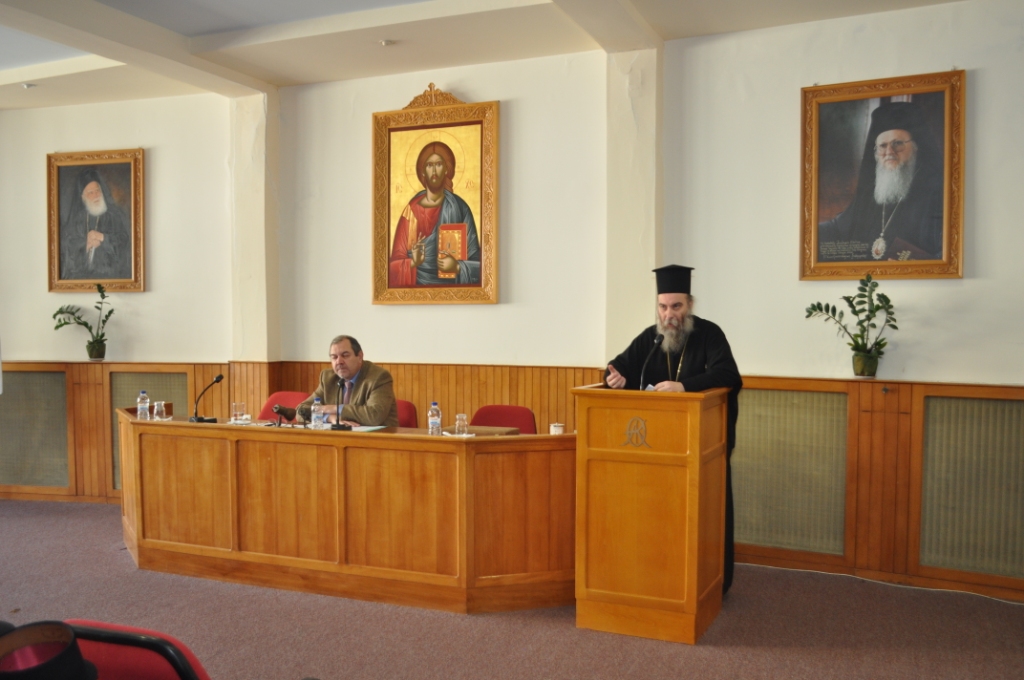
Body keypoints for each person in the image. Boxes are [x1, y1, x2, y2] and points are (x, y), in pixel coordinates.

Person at [605, 264, 742, 595]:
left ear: (689, 305)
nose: (669, 315)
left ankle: (713, 580)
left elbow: (728, 375)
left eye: (676, 306)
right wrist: (614, 378)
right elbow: (617, 366)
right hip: (656, 449)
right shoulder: (651, 338)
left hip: (700, 445)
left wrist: (684, 387)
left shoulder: (710, 335)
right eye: (663, 307)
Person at [818, 101, 944, 262]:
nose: (889, 152)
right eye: (882, 146)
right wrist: (807, 232)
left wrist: (915, 265)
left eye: (897, 143)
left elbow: (947, 249)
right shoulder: (872, 191)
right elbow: (839, 228)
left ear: (915, 147)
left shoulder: (936, 189)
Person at [388, 141, 481, 286]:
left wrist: (457, 266)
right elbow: (391, 269)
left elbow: (481, 267)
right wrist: (413, 262)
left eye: (439, 164)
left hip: (453, 291)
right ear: (422, 171)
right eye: (429, 165)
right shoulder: (411, 211)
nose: (434, 170)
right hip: (417, 291)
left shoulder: (460, 208)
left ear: (446, 169)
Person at [298, 335, 399, 427]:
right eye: (334, 357)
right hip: (339, 438)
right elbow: (300, 411)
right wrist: (329, 417)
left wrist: (334, 408)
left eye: (345, 355)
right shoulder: (328, 378)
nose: (339, 361)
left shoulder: (378, 377)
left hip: (377, 438)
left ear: (359, 356)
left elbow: (375, 416)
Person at [60, 168, 132, 280]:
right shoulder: (77, 219)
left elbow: (125, 242)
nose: (96, 195)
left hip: (111, 278)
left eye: (98, 190)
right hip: (81, 279)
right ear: (83, 197)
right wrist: (86, 244)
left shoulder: (115, 215)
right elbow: (67, 248)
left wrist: (103, 238)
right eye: (91, 193)